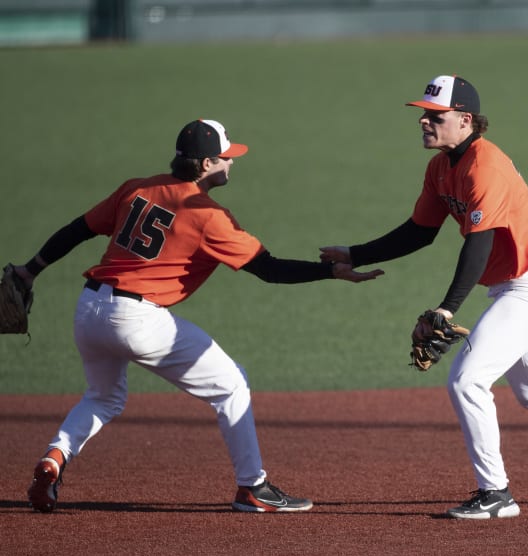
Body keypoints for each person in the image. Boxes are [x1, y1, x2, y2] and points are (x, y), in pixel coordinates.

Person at [320, 76, 528, 520]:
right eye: (423, 113)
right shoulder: (441, 167)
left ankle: (496, 493)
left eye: (435, 115)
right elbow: (419, 233)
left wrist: (447, 308)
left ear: (465, 120)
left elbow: (477, 245)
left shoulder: (487, 166)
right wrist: (354, 253)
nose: (424, 120)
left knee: (466, 380)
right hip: (513, 290)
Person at [19, 119, 383, 514]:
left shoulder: (137, 187)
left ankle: (56, 457)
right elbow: (270, 270)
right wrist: (330, 271)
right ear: (207, 163)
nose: (232, 163)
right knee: (232, 385)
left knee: (103, 397)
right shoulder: (209, 216)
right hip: (138, 319)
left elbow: (78, 230)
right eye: (227, 157)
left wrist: (30, 269)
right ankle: (253, 488)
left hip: (89, 309)